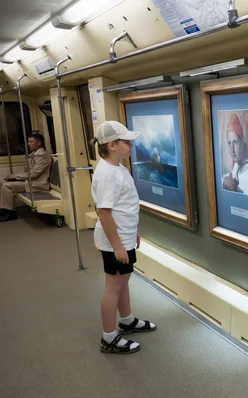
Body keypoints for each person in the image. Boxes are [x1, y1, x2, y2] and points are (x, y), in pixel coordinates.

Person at [90, 120, 156, 354]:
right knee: (113, 286)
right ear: (111, 145)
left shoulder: (119, 169)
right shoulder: (108, 174)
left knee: (123, 281)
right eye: (126, 142)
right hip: (113, 240)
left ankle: (126, 320)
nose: (131, 146)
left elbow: (121, 207)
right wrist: (118, 246)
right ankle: (108, 338)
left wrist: (132, 231)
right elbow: (104, 213)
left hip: (122, 236)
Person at [0, 133, 51, 222]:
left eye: (31, 141)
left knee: (7, 186)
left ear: (38, 143)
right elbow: (26, 170)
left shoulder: (42, 156)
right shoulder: (33, 154)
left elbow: (33, 174)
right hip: (30, 182)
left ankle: (10, 213)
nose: (28, 144)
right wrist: (13, 177)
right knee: (4, 183)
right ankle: (5, 209)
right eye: (28, 142)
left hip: (38, 184)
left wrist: (15, 176)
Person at [221, 112, 248, 197]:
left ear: (242, 142)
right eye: (229, 143)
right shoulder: (237, 166)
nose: (232, 149)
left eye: (235, 142)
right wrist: (224, 180)